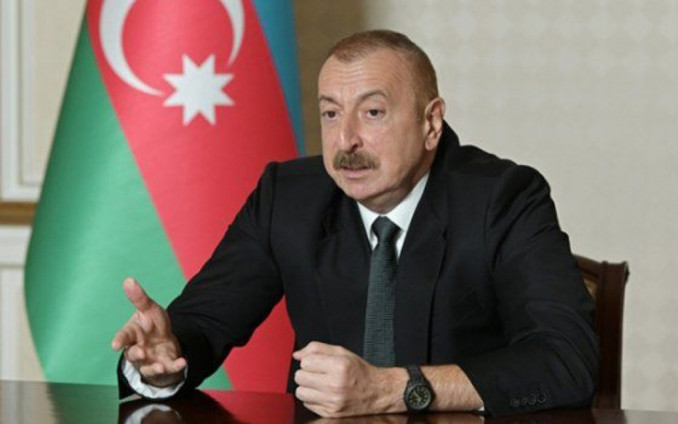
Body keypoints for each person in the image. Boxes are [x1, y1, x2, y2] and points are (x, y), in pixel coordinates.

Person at [112, 29, 598, 417]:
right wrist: (164, 362)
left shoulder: (503, 198)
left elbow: (566, 360)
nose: (345, 140)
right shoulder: (288, 197)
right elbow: (204, 324)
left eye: (373, 112)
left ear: (431, 124)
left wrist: (395, 389)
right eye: (330, 113)